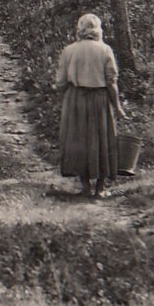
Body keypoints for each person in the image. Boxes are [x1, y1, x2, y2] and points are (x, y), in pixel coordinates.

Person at [55, 13, 131, 198]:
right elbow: (112, 82)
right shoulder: (105, 50)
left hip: (76, 98)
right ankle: (100, 188)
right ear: (98, 29)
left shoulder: (69, 50)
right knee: (102, 140)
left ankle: (85, 185)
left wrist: (65, 98)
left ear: (79, 29)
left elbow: (61, 82)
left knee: (79, 140)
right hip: (99, 99)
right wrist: (118, 107)